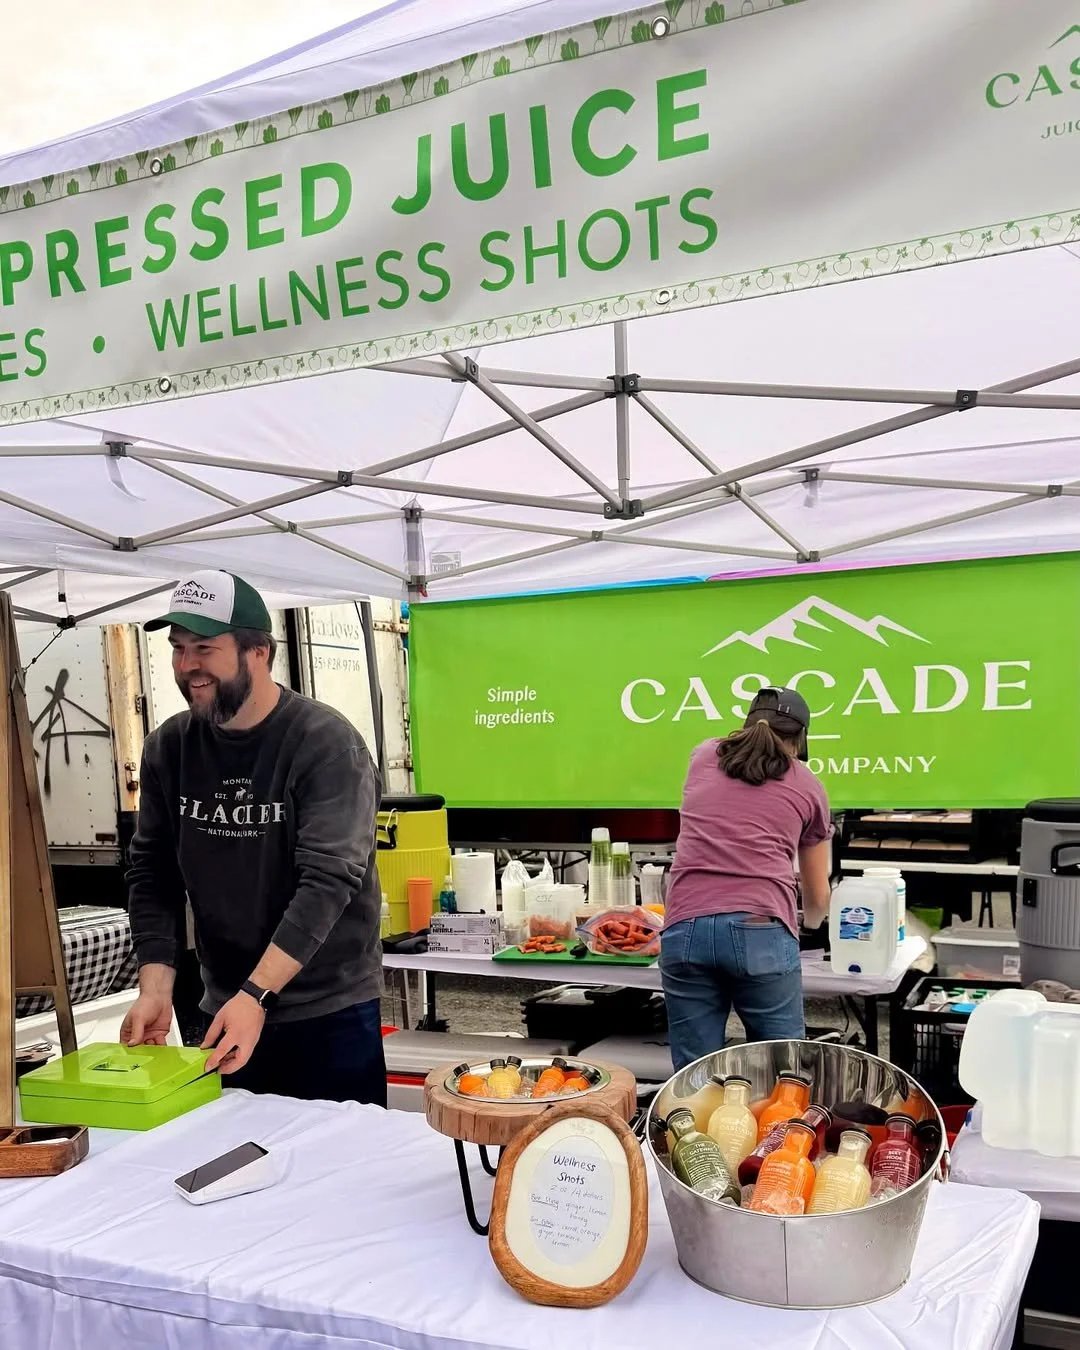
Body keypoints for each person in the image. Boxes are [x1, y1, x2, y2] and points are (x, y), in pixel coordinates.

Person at [121, 569, 387, 1105]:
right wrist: (156, 987)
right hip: (224, 1007)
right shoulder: (168, 747)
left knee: (339, 1157)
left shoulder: (325, 744)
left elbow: (327, 882)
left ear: (258, 652)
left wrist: (257, 994)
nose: (187, 666)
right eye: (178, 648)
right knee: (230, 1154)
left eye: (204, 648)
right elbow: (152, 873)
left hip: (327, 1011)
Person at [660, 686, 833, 1070]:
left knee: (693, 1074)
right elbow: (818, 897)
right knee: (782, 1069)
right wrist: (810, 925)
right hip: (760, 927)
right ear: (801, 738)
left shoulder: (703, 755)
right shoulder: (808, 785)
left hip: (685, 926)